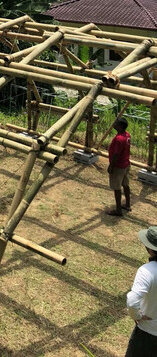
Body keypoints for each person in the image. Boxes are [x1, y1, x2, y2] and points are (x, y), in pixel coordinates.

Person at [125, 226, 157, 356]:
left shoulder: (147, 271)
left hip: (147, 333)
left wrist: (137, 316)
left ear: (149, 249)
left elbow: (132, 302)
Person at [107, 117, 131, 216]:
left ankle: (118, 210)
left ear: (120, 127)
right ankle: (127, 205)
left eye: (116, 123)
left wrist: (111, 165)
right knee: (125, 184)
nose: (114, 124)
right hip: (126, 164)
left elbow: (116, 154)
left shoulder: (119, 139)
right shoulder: (127, 135)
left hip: (118, 166)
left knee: (117, 187)